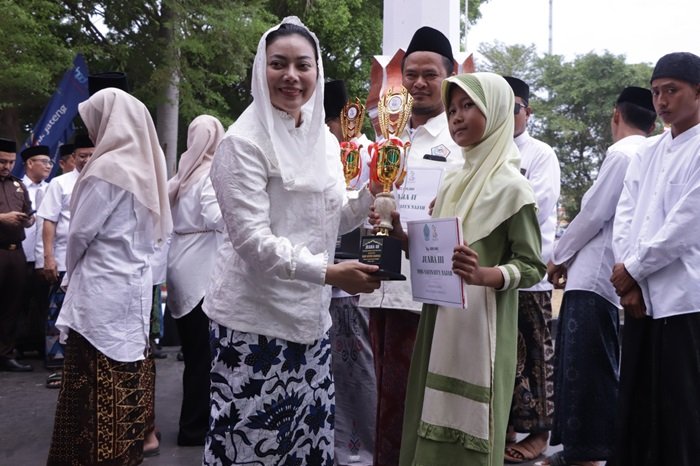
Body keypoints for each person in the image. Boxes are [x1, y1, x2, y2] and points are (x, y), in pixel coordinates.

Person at [203, 17, 381, 465]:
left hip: (311, 321)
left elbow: (332, 218)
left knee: (308, 440)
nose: (291, 76)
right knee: (251, 445)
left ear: (317, 72)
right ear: (260, 70)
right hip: (254, 321)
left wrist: (372, 194)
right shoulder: (243, 142)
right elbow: (251, 241)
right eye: (278, 64)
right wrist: (328, 273)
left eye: (303, 65)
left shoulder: (322, 138)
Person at [395, 72, 545, 466]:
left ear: (496, 112)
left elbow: (532, 266)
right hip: (440, 319)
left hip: (484, 327)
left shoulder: (513, 188)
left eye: (468, 106)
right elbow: (435, 257)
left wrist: (484, 275)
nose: (457, 117)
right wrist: (399, 235)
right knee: (429, 410)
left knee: (472, 426)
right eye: (451, 110)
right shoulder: (452, 181)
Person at [47, 87, 171, 466]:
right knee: (127, 376)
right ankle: (124, 453)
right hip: (132, 289)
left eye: (94, 122)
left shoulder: (106, 168)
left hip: (100, 291)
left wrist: (71, 272)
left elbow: (79, 235)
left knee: (92, 384)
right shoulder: (147, 167)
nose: (92, 131)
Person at [357, 26, 462, 465]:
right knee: (384, 400)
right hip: (381, 285)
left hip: (429, 294)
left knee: (422, 404)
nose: (419, 83)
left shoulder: (458, 140)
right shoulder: (387, 137)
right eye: (411, 74)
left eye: (430, 75)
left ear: (450, 76)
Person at [544, 87, 657, 466]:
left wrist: (558, 257)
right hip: (616, 274)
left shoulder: (623, 153)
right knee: (592, 363)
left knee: (585, 367)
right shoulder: (652, 151)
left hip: (594, 276)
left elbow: (593, 214)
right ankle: (581, 450)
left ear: (616, 115)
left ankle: (587, 454)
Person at [610, 52, 700, 466]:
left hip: (684, 299)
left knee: (680, 411)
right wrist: (628, 280)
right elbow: (625, 216)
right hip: (639, 298)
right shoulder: (646, 152)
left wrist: (632, 271)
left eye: (672, 90)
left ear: (697, 92)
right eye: (656, 92)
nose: (661, 101)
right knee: (636, 408)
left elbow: (686, 224)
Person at [502, 75, 560, 463]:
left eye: (515, 109)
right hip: (493, 273)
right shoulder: (487, 151)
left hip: (530, 274)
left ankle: (539, 434)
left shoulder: (541, 154)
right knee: (503, 355)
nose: (508, 116)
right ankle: (506, 426)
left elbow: (536, 206)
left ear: (528, 111)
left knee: (535, 357)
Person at [324, 79, 376, 466]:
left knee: (356, 369)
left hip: (354, 279)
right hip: (321, 277)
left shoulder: (371, 154)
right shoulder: (322, 153)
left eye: (330, 122)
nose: (329, 130)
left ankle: (358, 452)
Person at [166, 114, 225, 446]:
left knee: (193, 353)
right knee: (204, 355)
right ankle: (194, 428)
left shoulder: (182, 175)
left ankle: (194, 422)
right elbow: (216, 217)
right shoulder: (211, 174)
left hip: (181, 261)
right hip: (202, 265)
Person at [39, 133, 94, 375]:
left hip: (92, 262)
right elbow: (49, 221)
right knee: (58, 312)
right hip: (63, 259)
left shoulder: (102, 181)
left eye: (91, 155)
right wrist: (48, 257)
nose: (87, 160)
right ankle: (56, 364)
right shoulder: (59, 184)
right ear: (73, 156)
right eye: (82, 156)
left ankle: (82, 366)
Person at [0, 138, 35, 372]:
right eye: (2, 161)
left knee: (12, 306)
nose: (7, 166)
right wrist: (2, 218)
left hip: (16, 251)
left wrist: (28, 220)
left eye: (11, 162)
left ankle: (6, 353)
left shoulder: (18, 185)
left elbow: (28, 213)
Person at [17, 145, 51, 356]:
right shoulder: (16, 187)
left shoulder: (52, 188)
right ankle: (17, 346)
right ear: (30, 163)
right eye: (44, 162)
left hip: (43, 256)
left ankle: (40, 344)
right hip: (19, 253)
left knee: (41, 302)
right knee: (17, 302)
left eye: (50, 162)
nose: (48, 166)